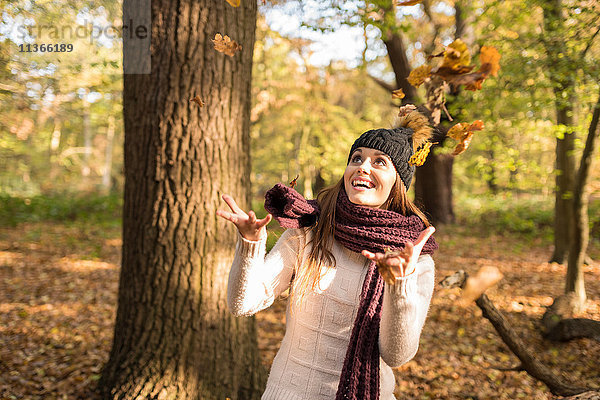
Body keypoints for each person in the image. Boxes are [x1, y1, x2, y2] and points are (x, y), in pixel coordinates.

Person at [216, 110, 438, 400]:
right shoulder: (310, 231)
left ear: (398, 182)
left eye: (379, 162)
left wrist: (399, 286)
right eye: (356, 158)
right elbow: (242, 303)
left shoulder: (414, 260)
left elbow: (397, 355)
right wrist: (249, 244)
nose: (362, 167)